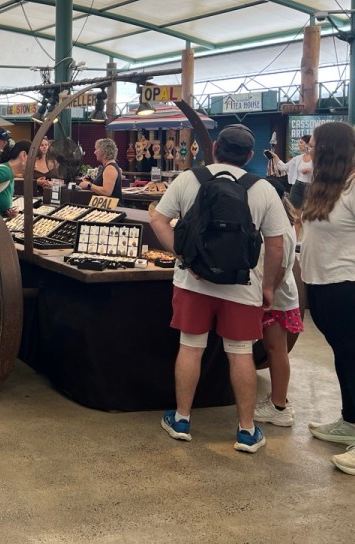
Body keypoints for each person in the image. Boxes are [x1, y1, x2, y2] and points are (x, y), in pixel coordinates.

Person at [150, 124, 289, 454]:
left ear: (214, 150)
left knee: (191, 346)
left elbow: (158, 219)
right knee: (240, 353)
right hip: (243, 285)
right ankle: (246, 430)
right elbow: (276, 247)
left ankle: (182, 419)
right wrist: (268, 286)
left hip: (192, 283)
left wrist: (184, 255)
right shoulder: (263, 189)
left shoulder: (189, 179)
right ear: (250, 155)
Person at [298, 121, 355, 475]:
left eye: (314, 144)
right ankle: (350, 421)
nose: (309, 149)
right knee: (344, 357)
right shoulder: (329, 187)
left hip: (347, 284)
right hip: (322, 285)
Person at [254, 194, 304, 428]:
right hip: (276, 298)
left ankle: (278, 406)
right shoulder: (283, 225)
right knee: (275, 349)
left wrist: (267, 293)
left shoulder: (282, 230)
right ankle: (279, 400)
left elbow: (282, 268)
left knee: (276, 350)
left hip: (277, 300)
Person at [271, 135, 312, 209]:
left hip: (312, 187)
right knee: (293, 210)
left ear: (308, 144)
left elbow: (324, 170)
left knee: (309, 211)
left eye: (301, 142)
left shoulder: (318, 158)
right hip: (297, 185)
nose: (298, 144)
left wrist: (310, 170)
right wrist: (275, 157)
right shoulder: (297, 158)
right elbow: (283, 167)